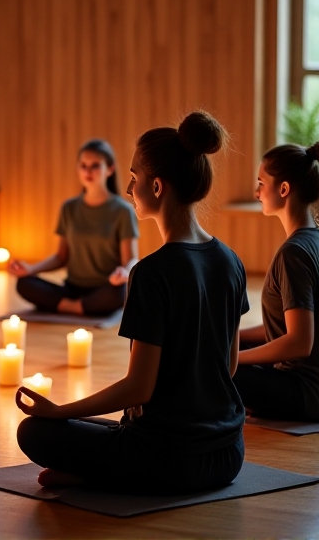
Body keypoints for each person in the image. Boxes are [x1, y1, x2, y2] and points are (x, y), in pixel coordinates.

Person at [15, 112, 247, 495]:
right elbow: (230, 366)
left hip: (170, 459)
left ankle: (103, 475)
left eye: (135, 177)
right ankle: (105, 470)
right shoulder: (231, 261)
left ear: (157, 187)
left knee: (36, 431)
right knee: (109, 426)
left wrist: (59, 411)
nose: (127, 187)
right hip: (228, 455)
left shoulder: (152, 272)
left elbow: (139, 388)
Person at [234, 143, 319, 421]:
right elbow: (286, 324)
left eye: (261, 183)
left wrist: (231, 360)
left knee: (204, 366)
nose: (257, 192)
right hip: (307, 385)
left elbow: (298, 342)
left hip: (305, 392)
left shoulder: (293, 253)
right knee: (217, 349)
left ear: (283, 189)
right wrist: (237, 337)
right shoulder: (313, 240)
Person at [9, 139, 139, 316]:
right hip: (72, 288)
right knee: (24, 283)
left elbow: (131, 260)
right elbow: (60, 257)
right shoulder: (69, 208)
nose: (88, 171)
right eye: (83, 166)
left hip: (106, 289)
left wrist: (124, 272)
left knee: (122, 292)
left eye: (95, 166)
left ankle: (65, 306)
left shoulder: (123, 212)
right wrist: (30, 269)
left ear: (110, 169)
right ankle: (80, 307)